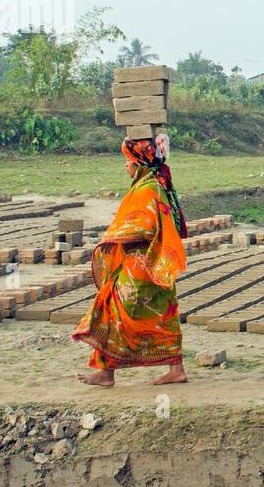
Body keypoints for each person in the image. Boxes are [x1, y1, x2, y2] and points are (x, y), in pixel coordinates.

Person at [73, 135, 189, 387]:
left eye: (127, 161)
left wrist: (114, 236)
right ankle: (175, 368)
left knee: (112, 311)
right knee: (163, 315)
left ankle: (106, 373)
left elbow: (142, 227)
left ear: (139, 163)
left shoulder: (147, 190)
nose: (125, 166)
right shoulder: (156, 185)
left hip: (141, 266)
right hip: (158, 266)